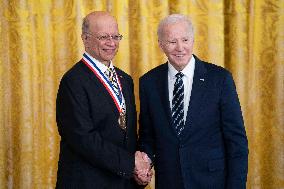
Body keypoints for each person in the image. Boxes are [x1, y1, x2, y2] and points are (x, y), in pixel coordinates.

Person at [138, 14, 249, 189]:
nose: (180, 47)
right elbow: (148, 135)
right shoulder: (149, 82)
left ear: (193, 40)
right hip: (169, 182)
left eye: (185, 39)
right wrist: (144, 162)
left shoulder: (219, 79)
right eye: (172, 42)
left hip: (213, 183)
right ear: (161, 44)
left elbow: (237, 142)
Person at [56, 11, 151, 189]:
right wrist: (131, 164)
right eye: (103, 37)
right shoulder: (73, 81)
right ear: (85, 39)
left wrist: (141, 168)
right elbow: (83, 139)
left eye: (116, 36)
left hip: (124, 182)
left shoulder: (125, 79)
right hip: (87, 182)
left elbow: (129, 132)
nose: (111, 43)